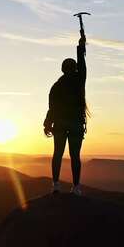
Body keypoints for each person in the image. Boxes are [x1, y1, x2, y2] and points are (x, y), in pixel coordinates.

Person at [43, 33, 88, 196]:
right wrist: (81, 47)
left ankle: (55, 185)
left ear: (63, 69)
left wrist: (47, 123)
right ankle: (76, 187)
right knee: (75, 156)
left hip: (61, 124)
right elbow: (82, 63)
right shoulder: (79, 80)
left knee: (58, 154)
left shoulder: (57, 86)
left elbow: (52, 108)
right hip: (75, 123)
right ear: (74, 68)